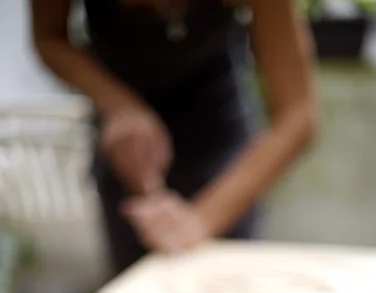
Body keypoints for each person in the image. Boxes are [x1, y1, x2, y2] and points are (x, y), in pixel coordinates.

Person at [31, 0, 318, 275]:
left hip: (218, 131)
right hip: (125, 144)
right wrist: (118, 105)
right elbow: (48, 37)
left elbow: (298, 116)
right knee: (136, 286)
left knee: (224, 280)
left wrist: (200, 221)